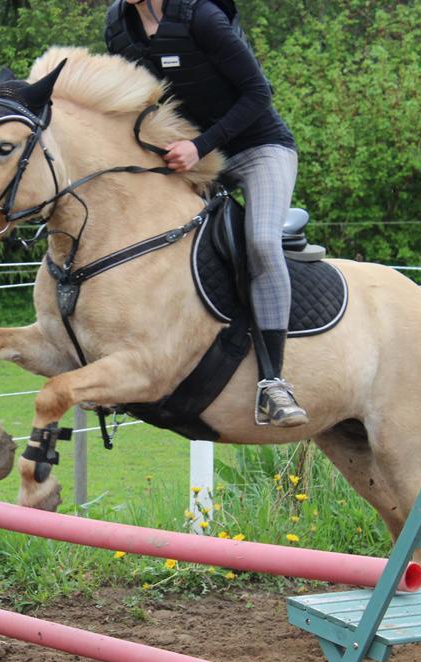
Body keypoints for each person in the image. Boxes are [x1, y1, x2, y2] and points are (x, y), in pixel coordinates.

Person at [105, 0, 308, 427]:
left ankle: (275, 383)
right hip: (189, 157)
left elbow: (259, 94)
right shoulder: (118, 27)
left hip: (258, 150)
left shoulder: (202, 16)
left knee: (261, 243)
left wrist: (201, 145)